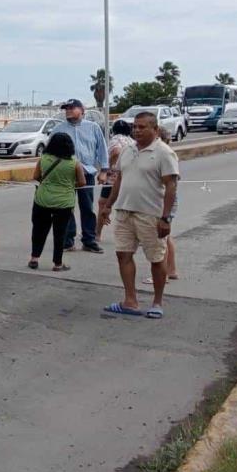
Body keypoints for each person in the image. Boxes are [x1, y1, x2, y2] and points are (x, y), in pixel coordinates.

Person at [99, 111, 179, 319]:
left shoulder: (164, 153)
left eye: (142, 127)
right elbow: (119, 180)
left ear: (155, 129)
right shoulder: (127, 151)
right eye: (135, 127)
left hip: (150, 215)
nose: (137, 130)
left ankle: (157, 302)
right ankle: (130, 301)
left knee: (155, 258)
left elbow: (171, 186)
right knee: (123, 254)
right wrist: (108, 206)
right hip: (125, 212)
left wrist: (166, 217)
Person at [52, 99, 108, 254]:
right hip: (65, 174)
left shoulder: (93, 127)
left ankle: (89, 240)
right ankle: (68, 240)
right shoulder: (58, 130)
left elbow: (102, 149)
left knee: (87, 207)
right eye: (66, 108)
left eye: (72, 108)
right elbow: (50, 153)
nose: (68, 111)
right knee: (66, 207)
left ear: (82, 110)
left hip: (86, 173)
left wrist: (104, 170)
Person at [28, 132, 86, 272]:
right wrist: (68, 185)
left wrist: (48, 183)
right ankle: (57, 263)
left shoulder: (44, 159)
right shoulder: (74, 163)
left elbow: (36, 176)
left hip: (42, 200)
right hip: (64, 203)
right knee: (60, 233)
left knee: (38, 230)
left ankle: (34, 259)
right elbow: (82, 183)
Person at [144, 127, 180, 284]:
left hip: (164, 200)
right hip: (167, 199)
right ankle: (172, 270)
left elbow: (171, 182)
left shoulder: (165, 154)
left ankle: (162, 273)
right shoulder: (168, 154)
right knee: (166, 237)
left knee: (161, 238)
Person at [97, 119, 135, 242]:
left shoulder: (115, 140)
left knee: (103, 204)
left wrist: (111, 165)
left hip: (113, 179)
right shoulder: (132, 141)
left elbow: (116, 151)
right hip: (129, 177)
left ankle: (97, 233)